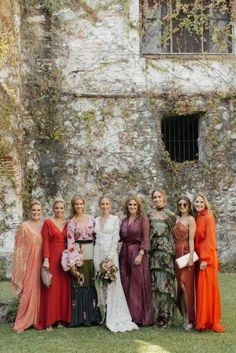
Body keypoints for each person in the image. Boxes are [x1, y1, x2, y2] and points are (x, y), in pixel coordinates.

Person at [93, 196, 138, 332]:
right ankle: (103, 314)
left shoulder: (115, 219)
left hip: (110, 254)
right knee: (99, 283)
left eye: (107, 204)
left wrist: (109, 259)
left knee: (112, 282)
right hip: (97, 252)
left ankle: (114, 315)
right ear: (99, 206)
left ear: (110, 205)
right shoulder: (95, 220)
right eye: (102, 204)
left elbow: (115, 239)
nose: (104, 206)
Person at [63, 195, 101, 326]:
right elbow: (70, 242)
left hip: (91, 251)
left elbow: (97, 237)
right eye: (76, 204)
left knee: (91, 282)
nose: (79, 206)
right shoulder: (71, 222)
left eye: (81, 204)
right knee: (79, 282)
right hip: (78, 253)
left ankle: (93, 316)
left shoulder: (92, 219)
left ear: (84, 205)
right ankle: (79, 318)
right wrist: (72, 262)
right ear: (73, 206)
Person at [37, 198, 71, 330]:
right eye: (57, 208)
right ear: (53, 209)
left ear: (64, 209)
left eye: (62, 208)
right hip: (51, 258)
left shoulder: (68, 223)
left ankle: (61, 320)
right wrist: (46, 259)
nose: (59, 210)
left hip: (64, 260)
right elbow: (45, 242)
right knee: (51, 289)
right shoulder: (48, 222)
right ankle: (49, 321)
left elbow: (70, 241)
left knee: (63, 290)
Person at [193, 193, 225, 332]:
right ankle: (204, 319)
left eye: (201, 202)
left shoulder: (208, 217)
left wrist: (205, 259)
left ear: (205, 203)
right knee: (202, 290)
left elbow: (210, 240)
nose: (198, 204)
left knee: (207, 289)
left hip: (208, 258)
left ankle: (208, 321)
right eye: (197, 201)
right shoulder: (198, 217)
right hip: (200, 256)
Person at [119, 196, 153, 326]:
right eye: (130, 205)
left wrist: (141, 253)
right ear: (127, 207)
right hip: (124, 253)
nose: (132, 207)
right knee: (125, 282)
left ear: (138, 206)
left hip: (137, 252)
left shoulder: (143, 220)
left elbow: (145, 238)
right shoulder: (124, 220)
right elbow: (120, 237)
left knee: (137, 284)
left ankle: (138, 316)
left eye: (134, 205)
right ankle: (127, 314)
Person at [12, 199, 43, 333]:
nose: (36, 212)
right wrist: (21, 268)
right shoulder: (24, 226)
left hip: (42, 264)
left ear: (41, 212)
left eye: (38, 210)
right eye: (34, 210)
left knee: (40, 293)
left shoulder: (44, 225)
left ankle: (37, 321)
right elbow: (19, 248)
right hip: (28, 264)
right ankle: (21, 323)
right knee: (27, 293)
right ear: (30, 211)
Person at [149, 190, 176, 328]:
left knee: (166, 285)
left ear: (164, 198)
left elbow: (176, 234)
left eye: (159, 197)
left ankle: (167, 317)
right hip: (153, 253)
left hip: (166, 253)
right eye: (155, 197)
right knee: (155, 285)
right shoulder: (149, 215)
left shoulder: (171, 215)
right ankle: (155, 316)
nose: (157, 199)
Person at [172, 196, 196, 330]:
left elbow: (192, 240)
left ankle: (189, 318)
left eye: (185, 205)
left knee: (184, 285)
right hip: (176, 252)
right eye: (180, 205)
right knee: (179, 287)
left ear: (188, 206)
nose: (182, 207)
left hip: (186, 252)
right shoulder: (176, 219)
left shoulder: (191, 219)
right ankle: (184, 316)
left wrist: (191, 257)